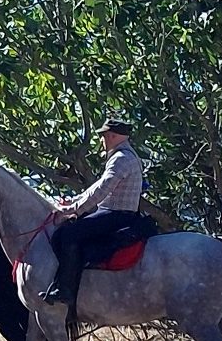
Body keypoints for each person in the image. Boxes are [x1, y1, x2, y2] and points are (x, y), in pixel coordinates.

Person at [40, 119, 149, 311]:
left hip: (116, 215)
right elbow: (96, 188)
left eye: (104, 136)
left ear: (112, 136)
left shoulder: (121, 159)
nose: (102, 141)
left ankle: (66, 289)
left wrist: (73, 210)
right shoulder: (125, 156)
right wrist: (74, 202)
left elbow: (101, 190)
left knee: (66, 235)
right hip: (115, 213)